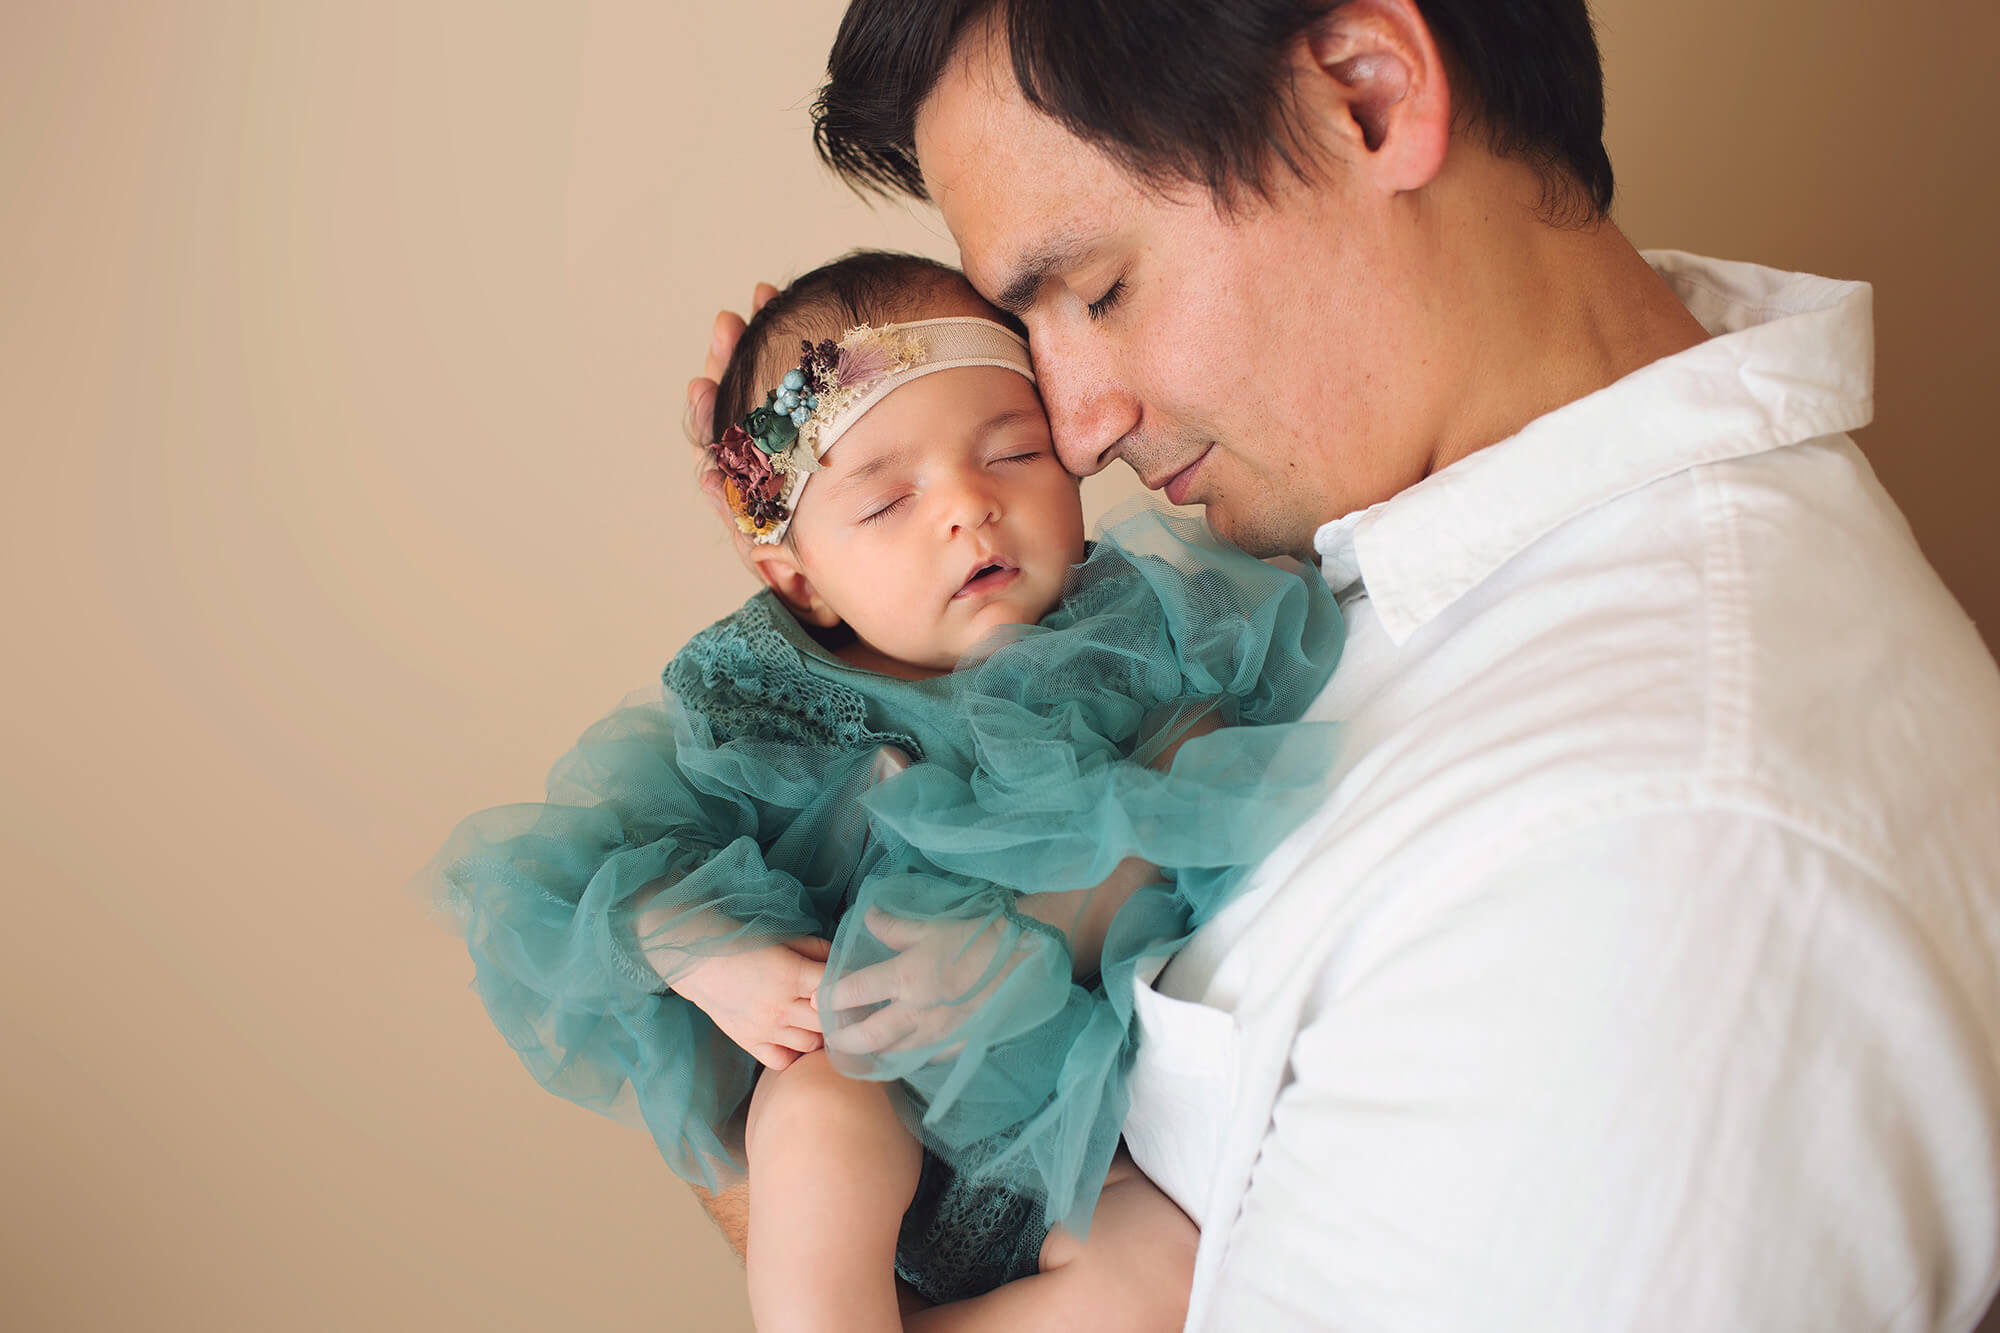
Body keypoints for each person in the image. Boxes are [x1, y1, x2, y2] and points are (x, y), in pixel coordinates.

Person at [683, 1, 2000, 1328]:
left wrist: (762, 1161)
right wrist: (824, 566)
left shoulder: (1670, 872)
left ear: (1367, 97)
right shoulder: (1366, 516)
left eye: (1100, 289)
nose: (1073, 432)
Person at [425, 250, 1345, 1330]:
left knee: (1161, 1281)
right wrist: (710, 956)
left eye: (1012, 451)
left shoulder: (1140, 636)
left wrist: (1039, 926)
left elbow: (1197, 788)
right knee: (817, 1115)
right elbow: (588, 879)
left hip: (1072, 1130)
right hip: (870, 1094)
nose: (968, 508)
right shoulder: (761, 701)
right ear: (795, 575)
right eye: (885, 501)